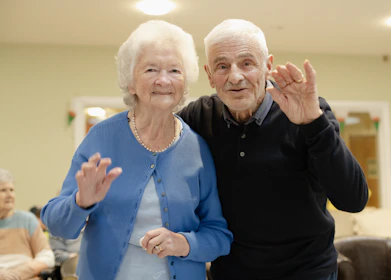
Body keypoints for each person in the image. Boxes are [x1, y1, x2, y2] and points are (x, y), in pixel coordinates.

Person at [41, 20, 233, 280]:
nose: (163, 79)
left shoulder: (197, 148)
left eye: (175, 70)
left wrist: (183, 243)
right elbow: (56, 224)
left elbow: (219, 235)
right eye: (151, 69)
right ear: (131, 83)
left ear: (184, 83)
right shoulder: (102, 136)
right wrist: (80, 202)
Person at [178, 19, 369, 280]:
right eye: (222, 66)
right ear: (210, 75)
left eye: (247, 63)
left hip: (307, 272)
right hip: (230, 273)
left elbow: (353, 200)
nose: (235, 76)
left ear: (267, 66)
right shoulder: (199, 116)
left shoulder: (308, 110)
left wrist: (314, 124)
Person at [0, 168, 55, 280]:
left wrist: (18, 274)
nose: (9, 195)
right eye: (3, 190)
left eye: (12, 190)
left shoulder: (27, 220)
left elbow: (47, 256)